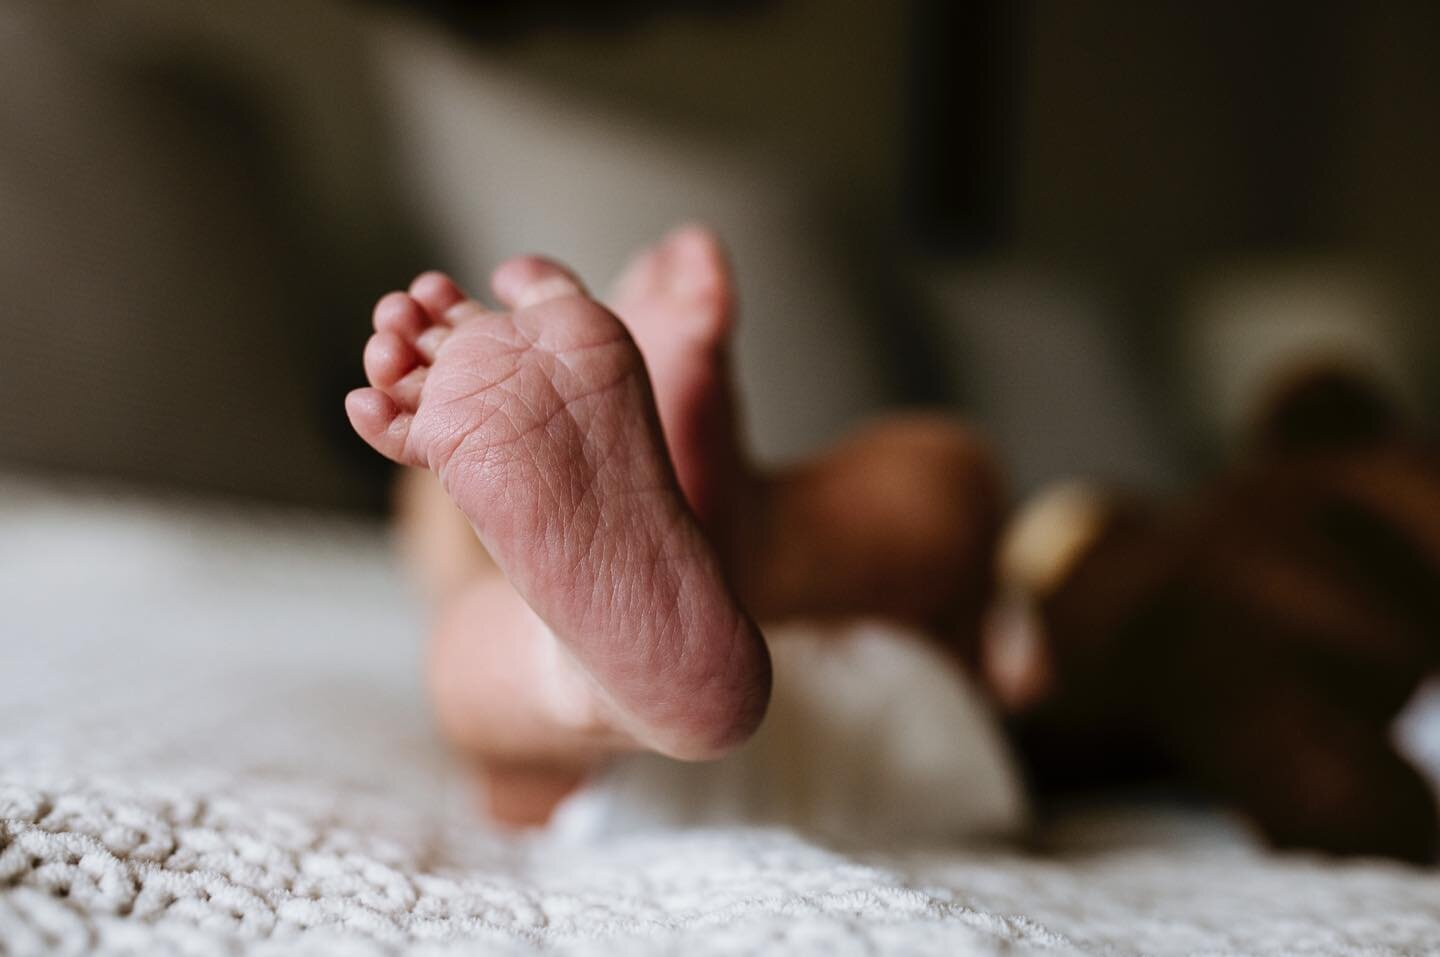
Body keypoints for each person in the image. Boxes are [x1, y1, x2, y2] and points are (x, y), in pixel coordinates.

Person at [346, 225, 1000, 825]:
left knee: (460, 594)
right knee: (950, 469)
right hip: (895, 707)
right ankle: (751, 543)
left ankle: (588, 669)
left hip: (576, 763)